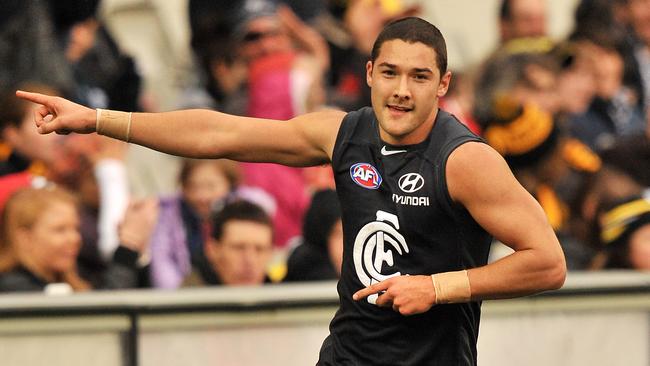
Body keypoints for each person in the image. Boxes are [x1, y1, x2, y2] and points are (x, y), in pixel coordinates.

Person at [17, 17, 566, 366]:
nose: (402, 91)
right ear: (370, 72)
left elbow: (548, 263)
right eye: (391, 73)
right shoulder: (342, 132)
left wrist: (439, 287)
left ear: (442, 85)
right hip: (346, 356)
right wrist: (96, 119)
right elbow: (220, 133)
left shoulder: (466, 161)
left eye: (420, 78)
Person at [182, 200, 274, 286]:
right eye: (238, 248)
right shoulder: (183, 300)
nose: (250, 260)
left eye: (259, 249)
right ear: (212, 250)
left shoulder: (281, 297)